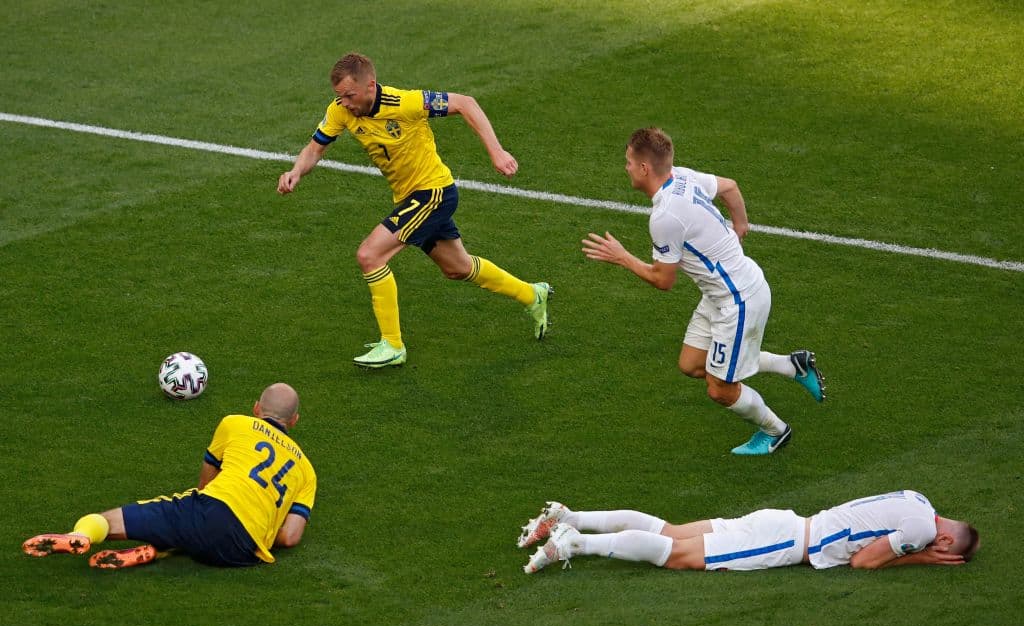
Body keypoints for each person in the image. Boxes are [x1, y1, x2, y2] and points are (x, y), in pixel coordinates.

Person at [277, 52, 551, 368]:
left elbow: (466, 103)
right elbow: (315, 148)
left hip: (433, 193)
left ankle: (392, 345)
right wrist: (297, 171)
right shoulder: (340, 111)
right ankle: (533, 295)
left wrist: (496, 151)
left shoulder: (405, 103)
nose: (345, 103)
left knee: (370, 255)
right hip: (410, 198)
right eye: (339, 96)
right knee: (457, 268)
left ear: (370, 86)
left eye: (350, 95)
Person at [581, 128, 825, 455]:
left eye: (628, 161)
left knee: (720, 389)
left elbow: (663, 280)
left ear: (644, 168)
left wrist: (622, 258)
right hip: (722, 293)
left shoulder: (664, 217)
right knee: (692, 364)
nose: (625, 167)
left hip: (739, 301)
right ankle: (792, 365)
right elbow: (730, 187)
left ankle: (776, 431)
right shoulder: (682, 177)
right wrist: (740, 226)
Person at [22, 383, 316, 569]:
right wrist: (257, 526)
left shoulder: (236, 423)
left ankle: (81, 535)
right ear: (294, 421)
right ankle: (157, 551)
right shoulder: (306, 469)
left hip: (211, 510)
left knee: (123, 518)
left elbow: (205, 484)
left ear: (256, 408)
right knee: (202, 533)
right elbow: (290, 537)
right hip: (243, 552)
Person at [518, 491, 980, 574]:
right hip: (788, 542)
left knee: (675, 532)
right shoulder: (920, 531)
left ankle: (572, 516)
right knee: (679, 555)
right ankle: (576, 542)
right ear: (944, 543)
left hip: (785, 520)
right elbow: (863, 562)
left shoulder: (920, 502)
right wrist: (918, 558)